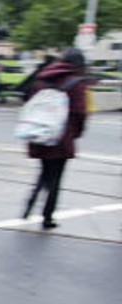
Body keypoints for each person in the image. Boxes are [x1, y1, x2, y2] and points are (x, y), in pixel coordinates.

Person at [21, 49, 88, 230]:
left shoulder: (42, 78)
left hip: (40, 133)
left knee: (44, 172)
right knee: (56, 177)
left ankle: (29, 205)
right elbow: (80, 113)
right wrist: (76, 133)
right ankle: (47, 217)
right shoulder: (77, 83)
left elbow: (28, 100)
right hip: (62, 136)